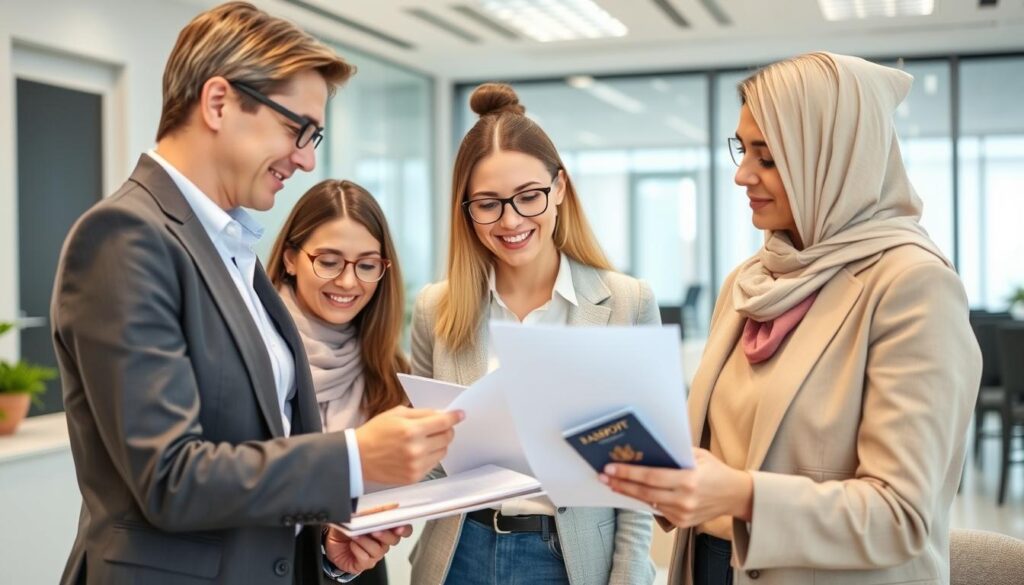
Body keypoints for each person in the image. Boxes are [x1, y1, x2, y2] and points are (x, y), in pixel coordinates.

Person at [50, 4, 461, 584]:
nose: (307, 158)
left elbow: (253, 474)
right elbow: (169, 479)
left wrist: (324, 553)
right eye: (299, 130)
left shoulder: (231, 249)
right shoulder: (125, 236)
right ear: (219, 103)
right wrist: (354, 457)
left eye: (315, 137)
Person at [600, 52, 982, 585]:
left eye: (769, 158)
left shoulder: (913, 286)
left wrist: (742, 495)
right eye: (743, 150)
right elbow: (713, 451)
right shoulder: (749, 280)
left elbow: (900, 517)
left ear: (833, 159)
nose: (741, 175)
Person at [409, 83, 657, 585]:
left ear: (560, 187)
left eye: (528, 197)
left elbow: (642, 474)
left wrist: (629, 576)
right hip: (459, 554)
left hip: (568, 560)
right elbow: (431, 461)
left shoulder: (625, 303)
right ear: (465, 209)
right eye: (488, 204)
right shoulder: (436, 309)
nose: (511, 221)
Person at [267, 179, 411, 584]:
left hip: (355, 572)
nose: (349, 282)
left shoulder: (387, 369)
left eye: (366, 265)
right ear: (290, 258)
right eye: (329, 261)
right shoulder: (254, 354)